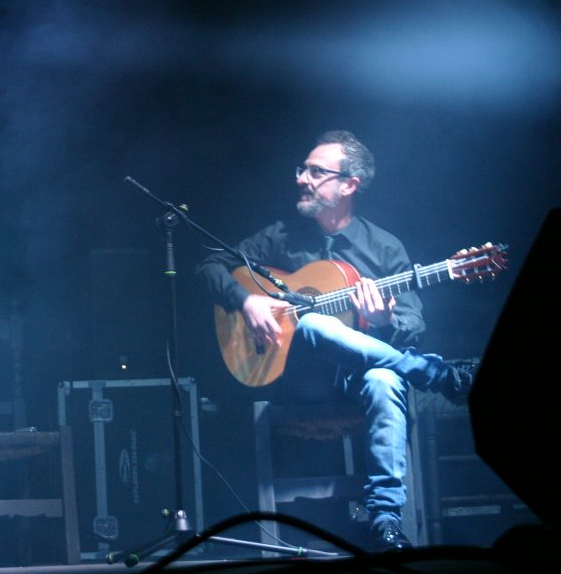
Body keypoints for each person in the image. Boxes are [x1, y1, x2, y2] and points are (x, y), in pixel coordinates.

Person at [196, 129, 477, 552]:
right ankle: (437, 375)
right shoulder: (281, 237)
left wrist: (383, 320)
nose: (301, 179)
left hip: (356, 379)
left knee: (384, 379)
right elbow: (210, 266)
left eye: (315, 172)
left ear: (349, 185)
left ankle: (385, 519)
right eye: (302, 169)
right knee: (311, 325)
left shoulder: (384, 248)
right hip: (297, 377)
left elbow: (412, 325)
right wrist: (247, 301)